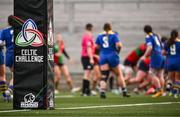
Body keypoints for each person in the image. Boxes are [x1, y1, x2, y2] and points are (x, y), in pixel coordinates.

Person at [95, 23, 130, 98]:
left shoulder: (100, 35)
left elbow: (96, 47)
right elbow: (119, 45)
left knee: (104, 75)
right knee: (119, 74)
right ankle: (124, 91)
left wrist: (100, 53)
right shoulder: (114, 35)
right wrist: (117, 52)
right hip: (112, 55)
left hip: (103, 56)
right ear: (111, 28)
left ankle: (102, 91)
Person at [140, 25, 165, 97]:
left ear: (145, 31)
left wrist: (144, 56)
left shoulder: (148, 37)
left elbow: (150, 47)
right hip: (161, 55)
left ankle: (159, 90)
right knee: (160, 75)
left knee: (151, 74)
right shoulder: (156, 36)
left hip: (156, 56)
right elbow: (162, 46)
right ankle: (162, 92)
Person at [0, 15, 14, 101]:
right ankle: (9, 90)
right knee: (15, 75)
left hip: (8, 54)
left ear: (8, 22)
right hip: (17, 53)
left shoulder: (4, 31)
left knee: (3, 75)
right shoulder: (20, 30)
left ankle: (5, 95)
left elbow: (0, 42)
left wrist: (6, 44)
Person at [163, 29, 180, 98]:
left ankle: (168, 86)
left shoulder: (167, 42)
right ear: (177, 35)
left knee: (170, 78)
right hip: (178, 61)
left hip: (170, 61)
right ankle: (175, 94)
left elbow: (163, 52)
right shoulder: (179, 42)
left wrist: (169, 54)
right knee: (177, 79)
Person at [81, 23, 96, 96]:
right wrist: (91, 58)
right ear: (91, 28)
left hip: (86, 56)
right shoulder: (88, 36)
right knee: (87, 74)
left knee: (89, 74)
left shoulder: (86, 36)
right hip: (87, 57)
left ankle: (87, 90)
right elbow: (88, 48)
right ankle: (85, 91)